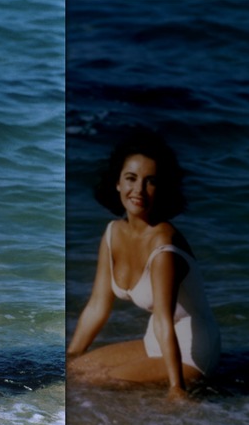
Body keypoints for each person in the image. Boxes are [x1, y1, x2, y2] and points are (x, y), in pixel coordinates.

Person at [67, 128, 220, 400]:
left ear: (161, 188)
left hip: (190, 351)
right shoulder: (113, 231)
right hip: (155, 342)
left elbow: (163, 318)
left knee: (91, 382)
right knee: (74, 371)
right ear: (117, 183)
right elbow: (98, 305)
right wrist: (71, 355)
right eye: (131, 178)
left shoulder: (164, 246)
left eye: (150, 181)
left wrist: (176, 389)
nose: (138, 190)